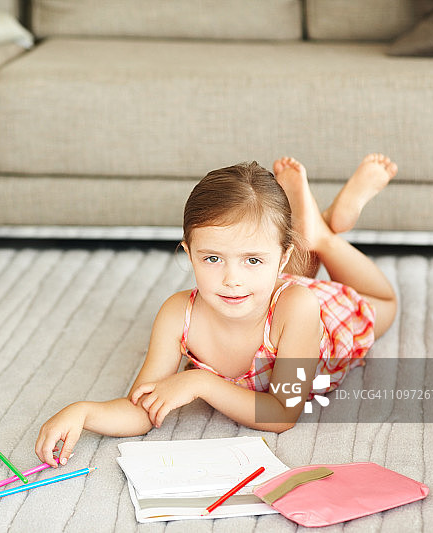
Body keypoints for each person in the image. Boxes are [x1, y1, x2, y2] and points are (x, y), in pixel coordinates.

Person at [35, 154, 398, 468]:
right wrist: (84, 411)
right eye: (212, 258)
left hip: (320, 317)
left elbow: (283, 414)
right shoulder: (177, 315)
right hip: (271, 292)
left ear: (283, 256)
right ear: (188, 252)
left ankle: (322, 237)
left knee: (385, 304)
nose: (231, 280)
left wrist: (199, 381)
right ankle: (310, 230)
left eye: (251, 259)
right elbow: (144, 407)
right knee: (260, 283)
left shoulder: (300, 307)